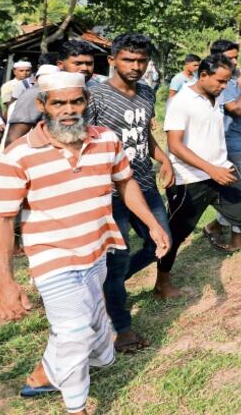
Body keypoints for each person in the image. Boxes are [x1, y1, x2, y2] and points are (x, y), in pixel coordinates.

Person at [0, 71, 170, 415]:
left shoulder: (106, 140)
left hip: (97, 251)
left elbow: (126, 183)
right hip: (52, 256)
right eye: (59, 103)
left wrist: (152, 224)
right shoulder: (19, 154)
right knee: (75, 334)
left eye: (77, 101)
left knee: (96, 337)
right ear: (43, 105)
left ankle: (43, 375)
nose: (69, 110)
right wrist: (4, 283)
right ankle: (77, 407)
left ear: (88, 102)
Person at [154, 54, 241, 298]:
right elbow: (174, 145)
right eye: (220, 81)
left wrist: (224, 163)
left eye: (227, 81)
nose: (224, 86)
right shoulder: (181, 102)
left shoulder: (215, 98)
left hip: (222, 172)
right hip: (190, 181)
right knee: (176, 234)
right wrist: (210, 169)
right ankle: (161, 284)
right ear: (203, 75)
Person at [87, 33, 174, 353]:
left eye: (142, 60)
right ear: (111, 60)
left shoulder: (148, 93)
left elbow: (143, 135)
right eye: (128, 60)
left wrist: (163, 158)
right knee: (119, 258)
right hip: (109, 192)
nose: (136, 66)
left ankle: (110, 286)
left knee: (161, 242)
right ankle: (122, 328)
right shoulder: (95, 97)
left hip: (145, 185)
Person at [202, 39, 241, 252]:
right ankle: (235, 237)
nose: (235, 61)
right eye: (230, 57)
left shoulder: (235, 80)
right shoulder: (221, 84)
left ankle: (217, 225)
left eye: (236, 56)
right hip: (229, 146)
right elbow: (237, 111)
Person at [5, 40, 98, 144]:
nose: (85, 68)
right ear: (60, 64)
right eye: (78, 63)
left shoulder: (96, 89)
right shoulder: (38, 92)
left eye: (89, 63)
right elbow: (14, 139)